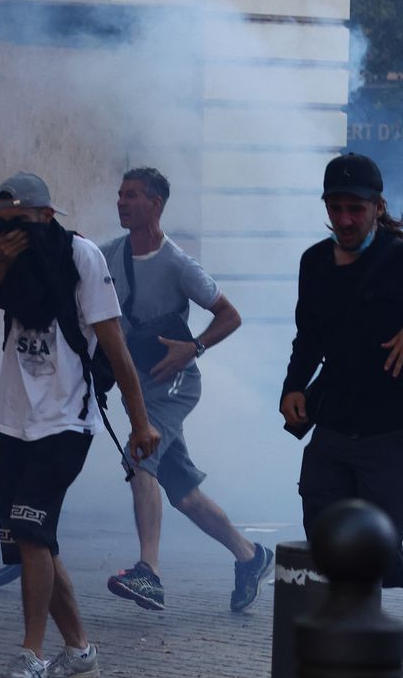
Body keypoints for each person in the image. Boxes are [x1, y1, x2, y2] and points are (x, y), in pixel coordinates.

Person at [0, 172, 159, 678]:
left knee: (31, 531)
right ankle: (80, 652)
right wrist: (0, 261)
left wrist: (140, 422)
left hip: (70, 418)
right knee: (31, 540)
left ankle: (31, 656)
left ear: (47, 216)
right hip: (14, 419)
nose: (11, 232)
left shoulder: (82, 257)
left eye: (20, 222)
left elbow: (115, 346)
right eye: (2, 223)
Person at [279, 153, 403, 641]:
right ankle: (341, 659)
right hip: (333, 428)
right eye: (336, 208)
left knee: (374, 559)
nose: (345, 220)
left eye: (355, 208)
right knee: (329, 552)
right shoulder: (314, 263)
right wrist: (292, 386)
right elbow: (308, 338)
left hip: (395, 433)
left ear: (377, 206)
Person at [99, 168, 273, 613]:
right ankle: (251, 556)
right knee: (182, 491)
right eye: (119, 195)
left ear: (155, 205)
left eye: (132, 195)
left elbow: (229, 315)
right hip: (138, 386)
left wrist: (193, 348)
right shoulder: (106, 255)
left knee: (140, 455)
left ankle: (149, 574)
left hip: (173, 382)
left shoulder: (178, 263)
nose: (121, 202)